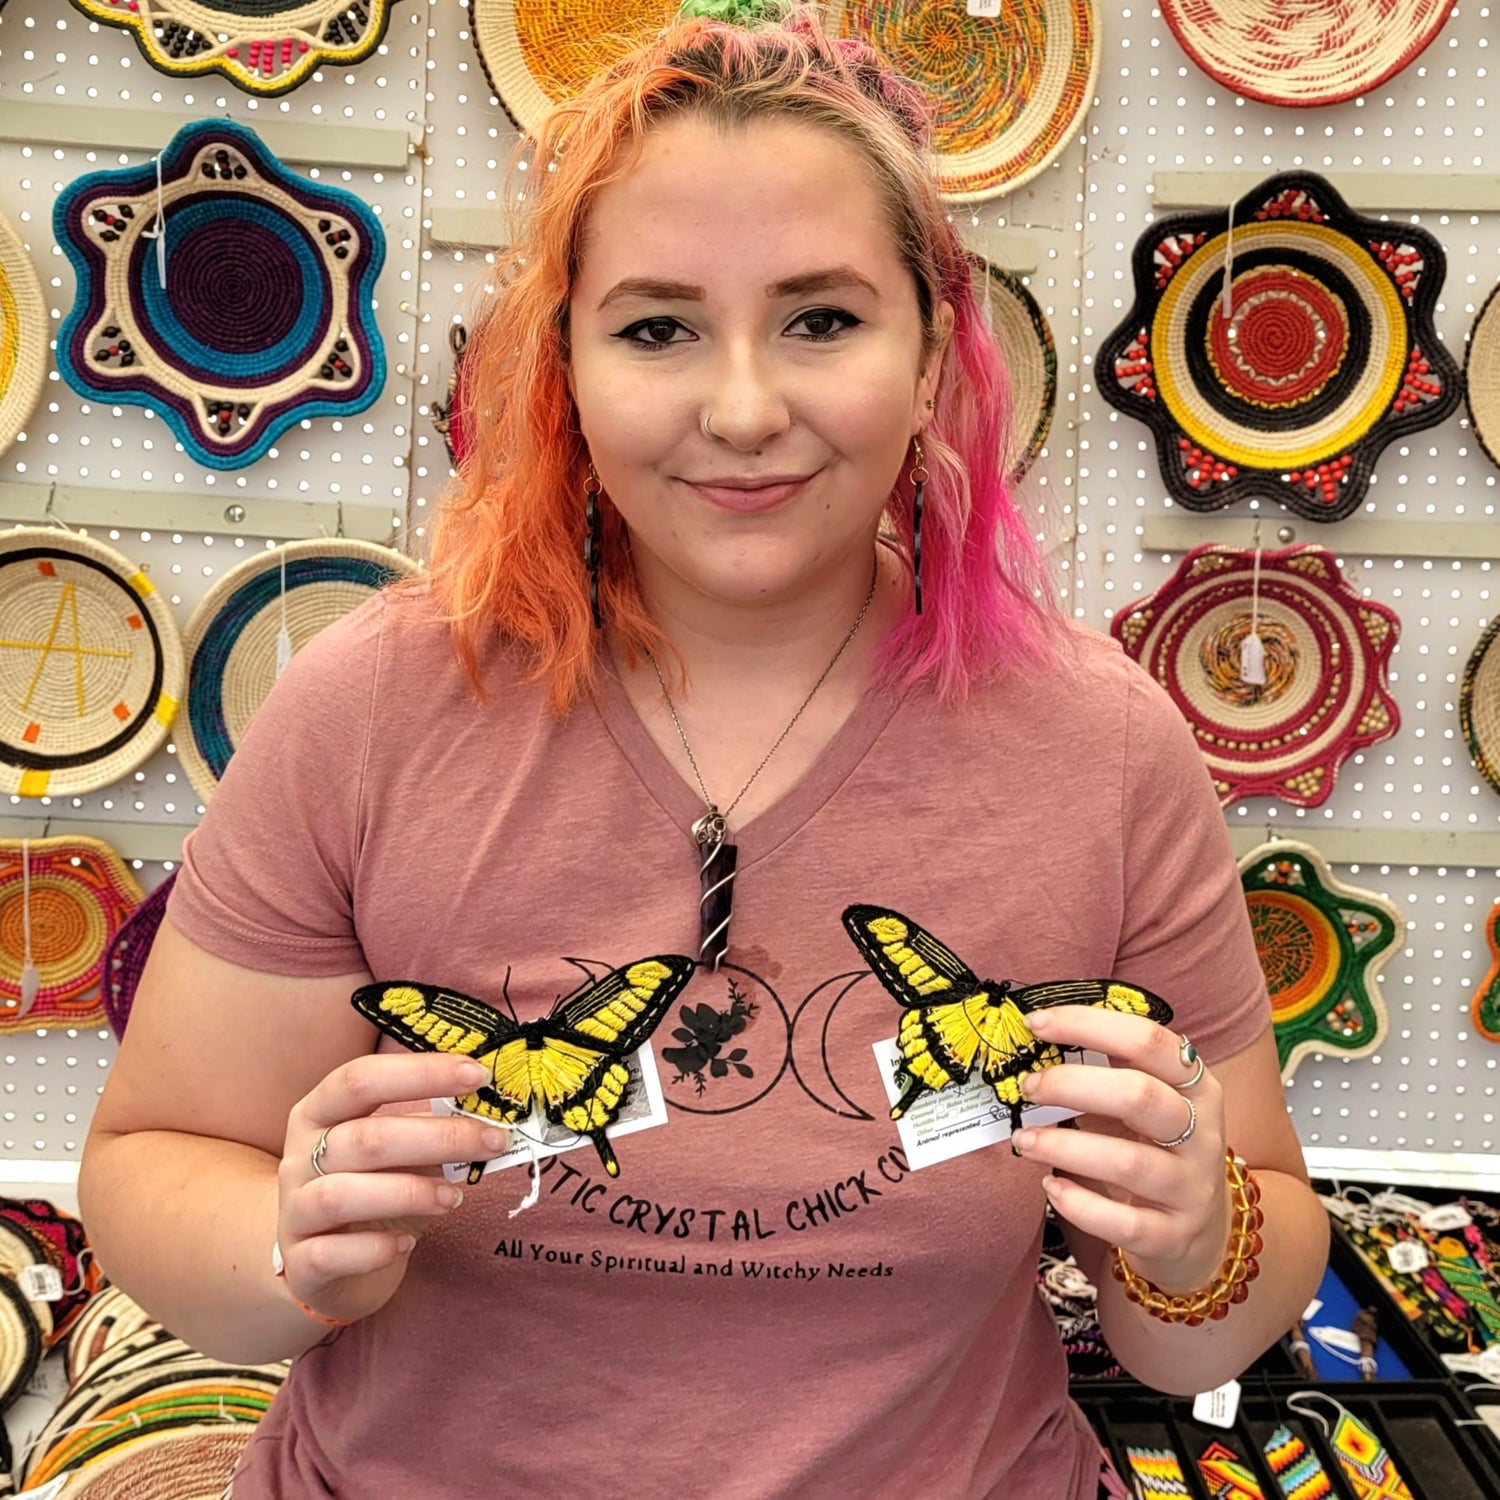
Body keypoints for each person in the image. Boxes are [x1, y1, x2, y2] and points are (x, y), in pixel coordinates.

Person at [79, 6, 1328, 1497]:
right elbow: (155, 1165)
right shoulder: (369, 708)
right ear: (566, 367)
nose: (743, 410)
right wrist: (285, 1247)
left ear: (934, 350)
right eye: (659, 327)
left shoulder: (1105, 745)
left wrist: (1198, 1240)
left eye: (822, 319)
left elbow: (1220, 1303)